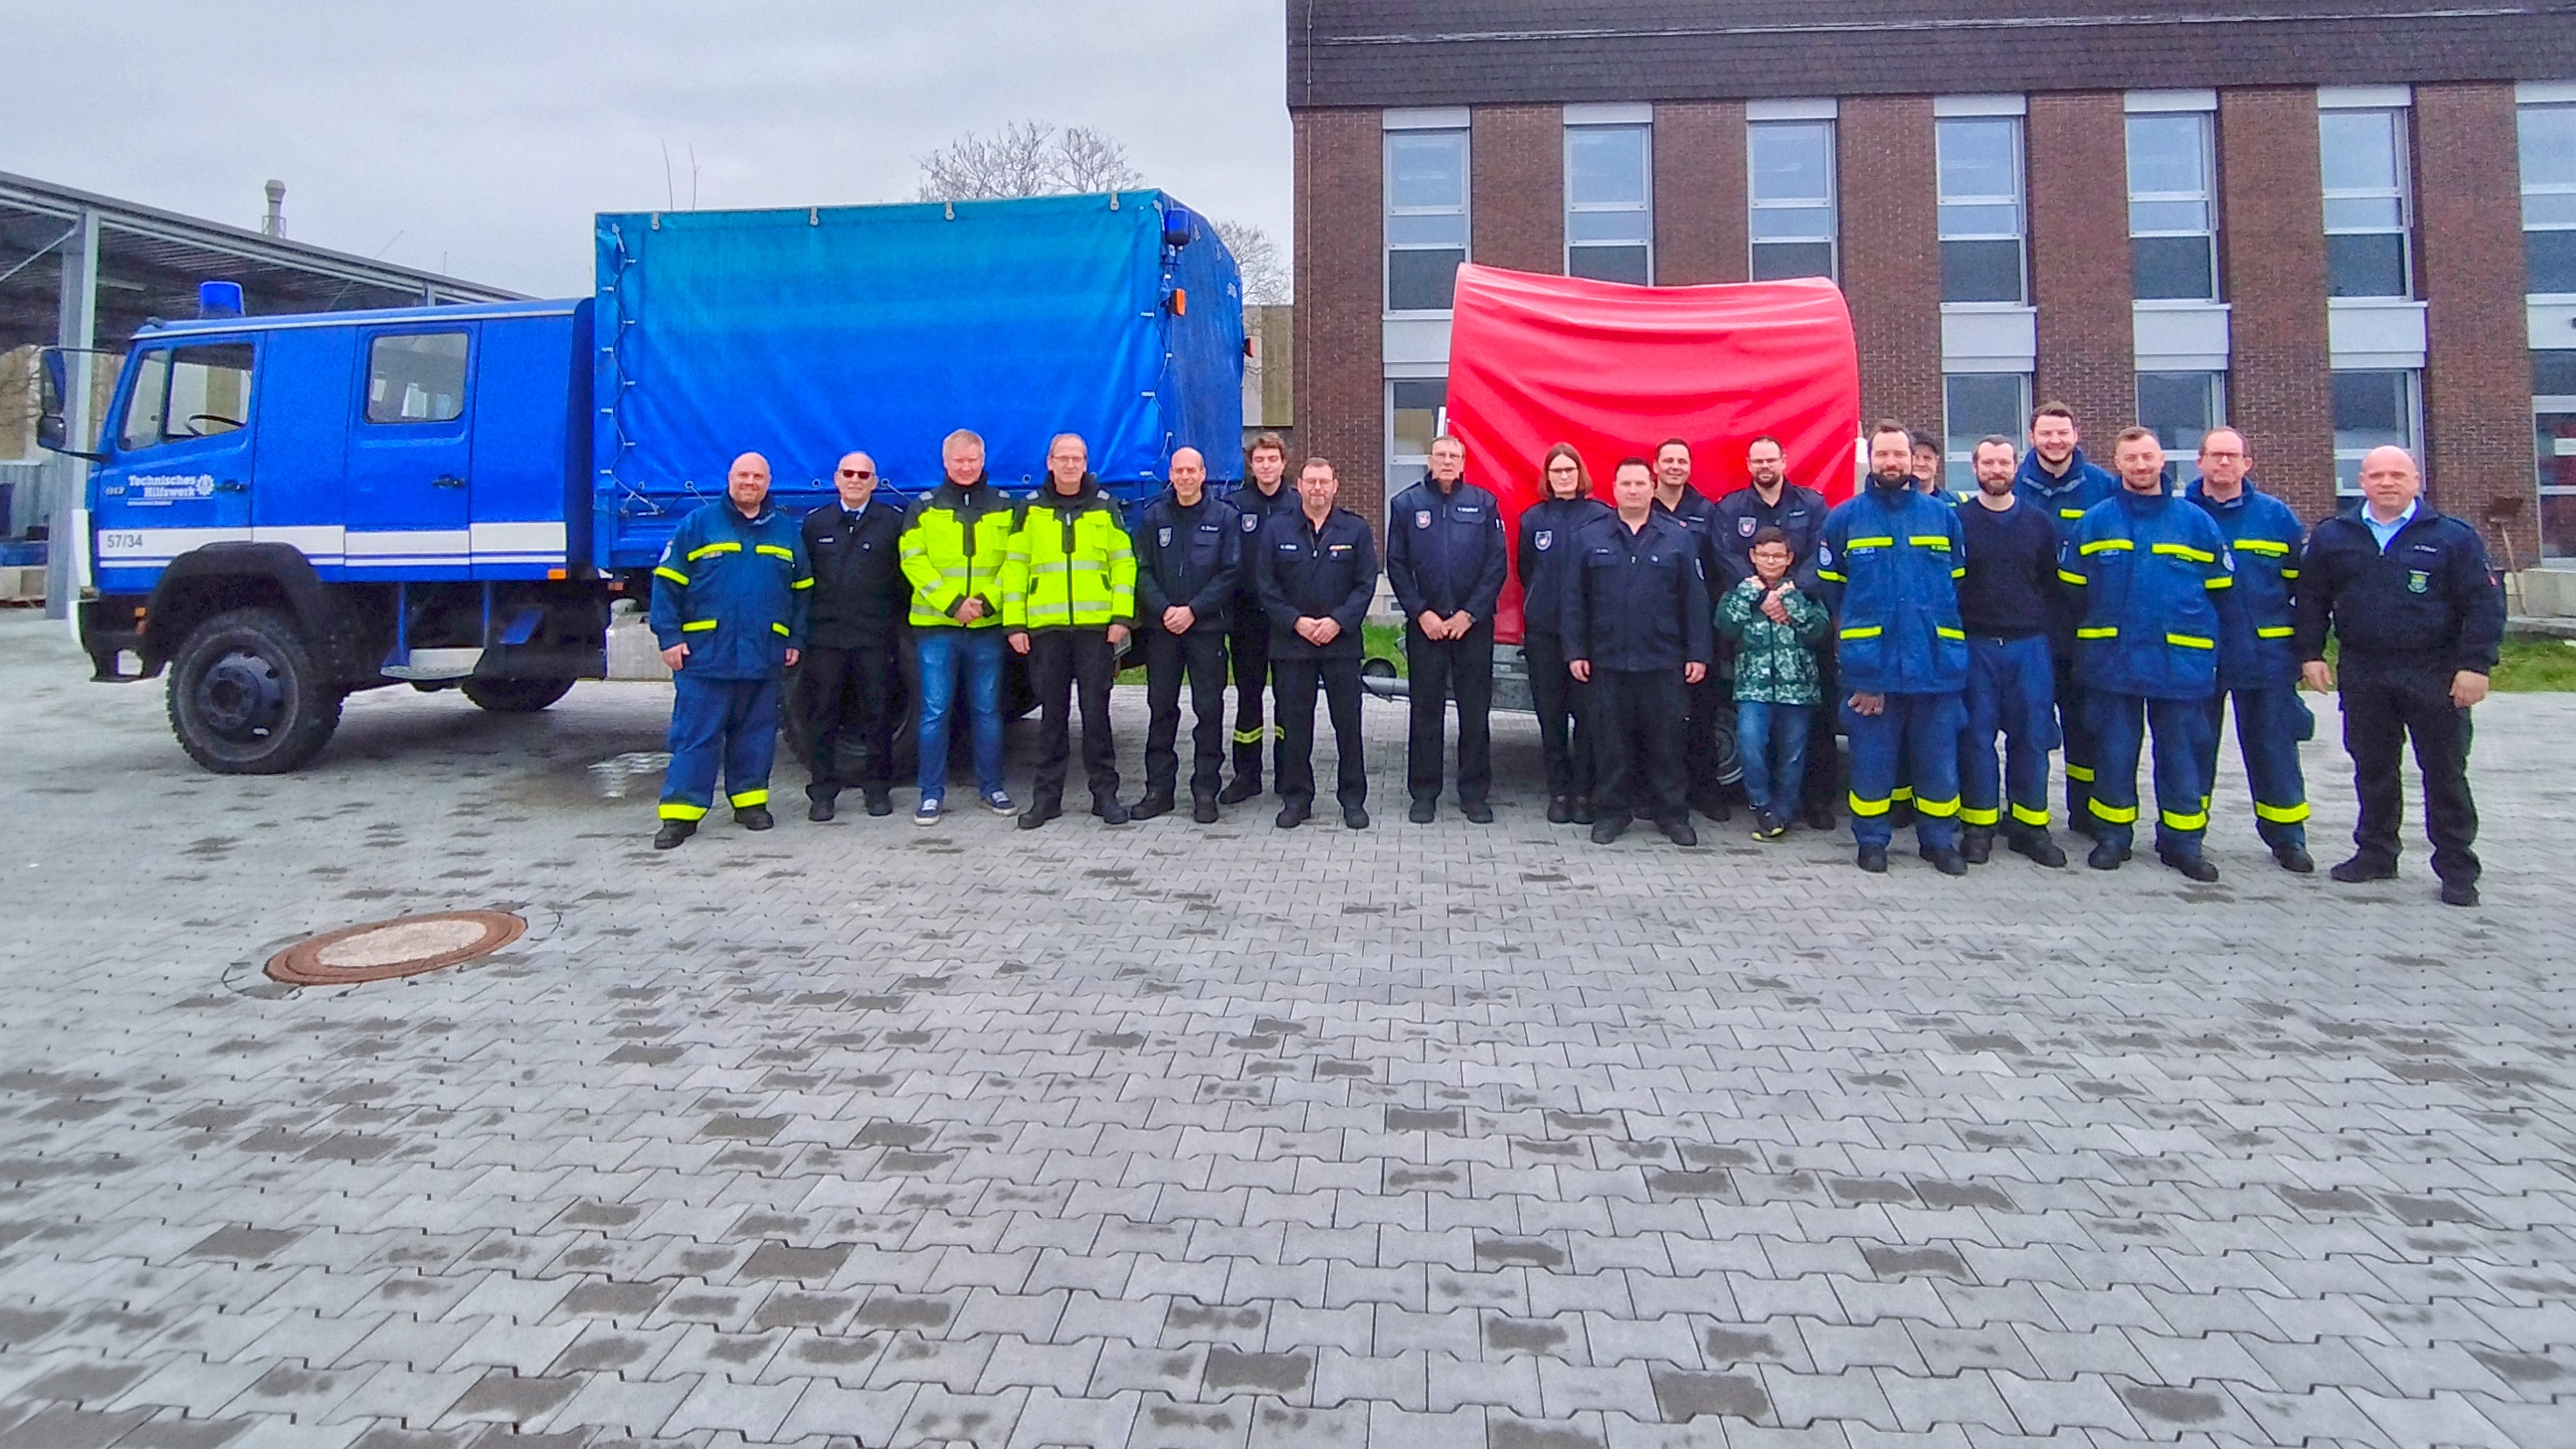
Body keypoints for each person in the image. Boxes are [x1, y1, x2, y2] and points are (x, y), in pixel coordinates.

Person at [2294, 445, 2504, 907]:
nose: (2386, 482)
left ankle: (2456, 868)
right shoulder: (2334, 536)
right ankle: (2376, 853)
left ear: (2416, 481)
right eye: (2376, 475)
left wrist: (2476, 666)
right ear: (2361, 482)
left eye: (2397, 475)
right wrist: (2310, 654)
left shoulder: (2452, 537)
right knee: (2372, 768)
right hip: (2364, 669)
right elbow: (2311, 599)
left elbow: (2484, 605)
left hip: (2435, 671)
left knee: (2445, 772)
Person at [2058, 427, 2231, 880]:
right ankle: (2113, 837)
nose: (2140, 465)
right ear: (2117, 463)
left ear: (2162, 461)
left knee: (2182, 756)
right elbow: (2073, 593)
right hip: (2112, 661)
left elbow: (2221, 591)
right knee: (2113, 754)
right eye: (2131, 458)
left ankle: (2183, 843)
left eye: (2148, 457)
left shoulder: (2196, 522)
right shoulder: (2095, 521)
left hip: (2180, 663)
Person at [1818, 421, 1969, 874]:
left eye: (1899, 454)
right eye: (1882, 454)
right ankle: (1871, 842)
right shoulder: (1844, 519)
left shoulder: (1943, 516)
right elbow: (1833, 596)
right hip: (1873, 668)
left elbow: (1957, 584)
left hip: (1934, 664)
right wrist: (1858, 671)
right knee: (1871, 764)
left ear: (1913, 459)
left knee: (1938, 763)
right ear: (1871, 459)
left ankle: (1938, 843)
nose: (1891, 462)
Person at [648, 451, 812, 848]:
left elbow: (802, 592)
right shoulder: (698, 524)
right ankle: (681, 815)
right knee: (696, 736)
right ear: (730, 478)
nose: (750, 482)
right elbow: (667, 584)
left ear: (768, 483)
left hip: (762, 655)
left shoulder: (785, 531)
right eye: (743, 475)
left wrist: (794, 640)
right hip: (705, 655)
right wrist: (669, 637)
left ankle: (750, 804)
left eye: (757, 477)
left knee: (756, 735)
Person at [2185, 428, 2315, 874]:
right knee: (2194, 750)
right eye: (2215, 455)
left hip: (2265, 657)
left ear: (2247, 463)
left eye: (2232, 455)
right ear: (2200, 462)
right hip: (2197, 656)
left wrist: (2307, 651)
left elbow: (2305, 590)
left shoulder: (2277, 518)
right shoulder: (2180, 515)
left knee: (2274, 751)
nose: (2224, 463)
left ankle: (2288, 838)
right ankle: (2187, 836)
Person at [1565, 457, 1712, 848]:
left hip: (1663, 659)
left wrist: (1698, 653)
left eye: (1640, 483)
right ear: (1614, 489)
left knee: (1668, 743)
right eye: (1626, 484)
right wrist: (1576, 650)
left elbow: (1695, 600)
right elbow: (1574, 600)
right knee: (1609, 742)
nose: (1633, 490)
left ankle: (1672, 814)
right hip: (1607, 659)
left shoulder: (1678, 538)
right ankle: (1612, 813)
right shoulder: (1589, 537)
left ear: (1652, 488)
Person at [1003, 433, 1137, 829]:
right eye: (1063, 458)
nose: (1070, 465)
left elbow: (1123, 563)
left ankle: (1105, 796)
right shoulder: (1030, 509)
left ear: (1085, 463)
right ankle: (1046, 800)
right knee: (1052, 719)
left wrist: (1121, 617)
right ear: (1049, 462)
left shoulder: (1105, 506)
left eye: (1077, 458)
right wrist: (1015, 622)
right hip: (1047, 631)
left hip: (1096, 630)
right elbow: (1015, 568)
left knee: (1097, 716)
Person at [1712, 435, 1837, 829]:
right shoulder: (1731, 508)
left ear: (1784, 460)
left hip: (1801, 631)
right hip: (1754, 642)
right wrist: (1762, 595)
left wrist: (1790, 590)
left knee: (1810, 737)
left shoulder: (1811, 505)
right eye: (1758, 461)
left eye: (1771, 459)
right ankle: (1764, 806)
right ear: (1748, 464)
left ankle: (1811, 804)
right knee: (1753, 739)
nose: (1765, 466)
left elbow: (1822, 553)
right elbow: (1724, 556)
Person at [1954, 435, 2068, 867]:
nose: (1996, 470)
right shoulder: (1959, 521)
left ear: (2016, 467)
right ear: (1975, 468)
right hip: (1977, 644)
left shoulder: (2038, 523)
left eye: (2003, 462)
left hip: (2029, 646)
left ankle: (2030, 827)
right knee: (1976, 739)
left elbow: (2052, 585)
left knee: (2032, 739)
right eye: (1988, 463)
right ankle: (1978, 828)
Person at [899, 428, 1021, 826]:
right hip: (937, 626)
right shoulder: (923, 507)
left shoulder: (1006, 506)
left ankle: (992, 788)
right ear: (945, 462)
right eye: (959, 461)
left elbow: (1016, 562)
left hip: (987, 625)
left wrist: (986, 602)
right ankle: (931, 793)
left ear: (983, 460)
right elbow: (913, 560)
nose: (966, 467)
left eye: (972, 460)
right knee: (935, 712)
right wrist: (953, 604)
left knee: (987, 711)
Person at [1387, 435, 1508, 823]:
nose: (1447, 461)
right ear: (1429, 460)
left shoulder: (1484, 503)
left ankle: (1474, 794)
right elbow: (1396, 564)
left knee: (1475, 711)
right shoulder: (1406, 505)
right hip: (1427, 627)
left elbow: (1497, 564)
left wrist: (1469, 614)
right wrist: (1421, 613)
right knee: (1425, 710)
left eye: (1454, 455)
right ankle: (1424, 793)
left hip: (1472, 626)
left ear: (1463, 462)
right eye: (1440, 455)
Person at [2014, 402, 2120, 832]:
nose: (2054, 441)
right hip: (2030, 631)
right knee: (2029, 729)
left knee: (2086, 728)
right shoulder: (2012, 485)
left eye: (2062, 433)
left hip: (2086, 631)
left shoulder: (2103, 488)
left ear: (2076, 435)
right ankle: (2025, 815)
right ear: (2032, 437)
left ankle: (2086, 814)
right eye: (2046, 433)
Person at [1257, 456, 1379, 831]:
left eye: (1324, 482)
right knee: (1296, 726)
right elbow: (1266, 585)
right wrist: (1295, 621)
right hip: (1292, 644)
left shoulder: (1355, 529)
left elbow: (1366, 584)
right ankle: (1297, 799)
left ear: (1335, 486)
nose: (1317, 488)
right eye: (1311, 482)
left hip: (1341, 644)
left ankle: (1353, 799)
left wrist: (1338, 622)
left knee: (1348, 724)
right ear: (1299, 486)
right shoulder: (1277, 529)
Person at [797, 450, 909, 821]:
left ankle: (877, 791)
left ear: (874, 482)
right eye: (849, 473)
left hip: (873, 637)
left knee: (877, 714)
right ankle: (822, 794)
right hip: (825, 637)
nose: (856, 480)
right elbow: (802, 580)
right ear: (836, 479)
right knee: (822, 715)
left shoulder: (891, 523)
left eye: (864, 475)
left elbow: (902, 581)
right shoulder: (816, 524)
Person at [1131, 446, 1242, 824]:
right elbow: (1141, 570)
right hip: (1162, 629)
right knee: (1161, 709)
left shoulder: (1224, 517)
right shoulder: (1153, 516)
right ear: (1171, 475)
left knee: (1208, 710)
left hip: (1206, 628)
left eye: (1192, 470)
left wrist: (1193, 610)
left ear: (1203, 473)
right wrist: (1165, 610)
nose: (1185, 477)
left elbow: (1230, 572)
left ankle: (1205, 790)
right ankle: (1158, 791)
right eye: (1179, 471)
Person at [1517, 443, 1612, 825]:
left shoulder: (1601, 516)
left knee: (1589, 717)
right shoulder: (1532, 519)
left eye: (1569, 470)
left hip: (1589, 636)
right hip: (1545, 633)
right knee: (1551, 715)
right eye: (1556, 471)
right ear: (1547, 476)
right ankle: (1558, 791)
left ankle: (1585, 792)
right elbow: (1526, 571)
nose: (1563, 477)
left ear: (1580, 474)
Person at [1716, 527, 1829, 839]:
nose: (1770, 561)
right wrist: (1748, 595)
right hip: (1753, 687)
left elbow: (1818, 630)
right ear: (1752, 557)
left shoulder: (1805, 591)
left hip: (1798, 689)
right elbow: (1725, 626)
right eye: (1764, 555)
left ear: (1789, 558)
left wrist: (1790, 599)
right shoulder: (1739, 591)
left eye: (1778, 556)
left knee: (1792, 755)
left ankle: (1784, 810)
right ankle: (1762, 805)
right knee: (1750, 745)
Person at [1651, 437, 1737, 820]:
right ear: (1656, 467)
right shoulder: (1643, 508)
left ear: (1689, 467)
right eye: (1668, 460)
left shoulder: (1707, 512)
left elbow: (1720, 568)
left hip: (1699, 626)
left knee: (1703, 713)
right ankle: (1653, 792)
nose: (1675, 467)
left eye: (1681, 461)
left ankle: (1705, 791)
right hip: (1654, 628)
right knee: (1655, 717)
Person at [1222, 434, 1300, 805]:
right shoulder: (1234, 507)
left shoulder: (1298, 504)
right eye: (1259, 460)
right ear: (1250, 466)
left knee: (1288, 699)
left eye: (1272, 459)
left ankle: (1288, 775)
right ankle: (1246, 775)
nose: (1266, 466)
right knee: (1248, 697)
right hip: (1246, 620)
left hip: (1288, 622)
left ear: (1284, 463)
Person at [1910, 431, 1948, 498]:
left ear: (1936, 461)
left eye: (1927, 458)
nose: (1921, 464)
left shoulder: (1958, 502)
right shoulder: (1892, 503)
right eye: (1915, 458)